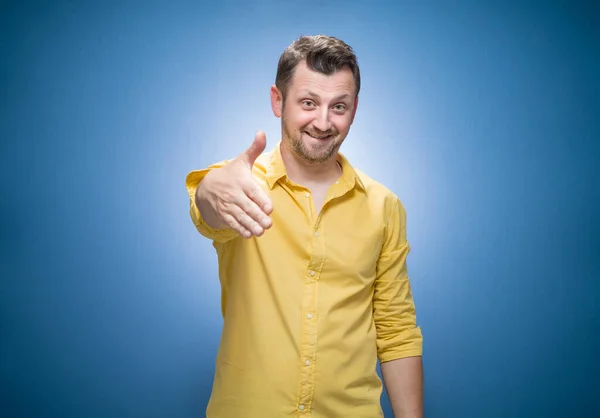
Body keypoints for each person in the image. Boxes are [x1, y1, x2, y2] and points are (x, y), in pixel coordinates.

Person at [185, 35, 423, 418]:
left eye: (339, 106)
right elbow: (208, 210)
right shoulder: (242, 186)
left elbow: (396, 330)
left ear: (355, 108)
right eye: (309, 103)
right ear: (278, 101)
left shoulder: (384, 206)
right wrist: (209, 191)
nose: (324, 122)